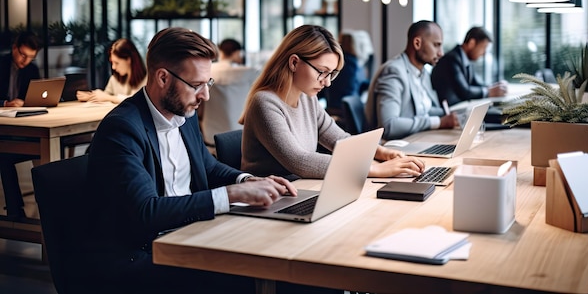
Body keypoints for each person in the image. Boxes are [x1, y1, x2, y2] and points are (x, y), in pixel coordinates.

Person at [86, 27, 339, 294]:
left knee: (307, 259)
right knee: (279, 275)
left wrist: (248, 180)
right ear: (162, 77)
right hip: (144, 255)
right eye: (196, 85)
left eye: (208, 83)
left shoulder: (184, 112)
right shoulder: (123, 129)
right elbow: (147, 212)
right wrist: (230, 194)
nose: (205, 96)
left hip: (192, 234)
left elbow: (206, 166)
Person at [240, 24, 425, 180]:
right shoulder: (265, 103)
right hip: (269, 200)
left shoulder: (307, 99)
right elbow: (299, 161)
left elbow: (341, 140)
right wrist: (373, 169)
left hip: (300, 189)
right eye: (322, 71)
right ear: (294, 63)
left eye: (331, 74)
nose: (327, 82)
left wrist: (381, 152)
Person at [365, 20, 458, 141]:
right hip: (393, 146)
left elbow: (423, 110)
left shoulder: (423, 72)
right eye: (436, 45)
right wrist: (439, 122)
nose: (441, 53)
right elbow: (389, 125)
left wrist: (452, 113)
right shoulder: (394, 71)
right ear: (417, 43)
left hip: (417, 139)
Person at [0, 31, 41, 220]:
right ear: (15, 48)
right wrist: (5, 103)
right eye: (23, 55)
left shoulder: (32, 70)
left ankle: (43, 208)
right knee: (4, 156)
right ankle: (16, 211)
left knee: (7, 157)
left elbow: (38, 96)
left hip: (24, 126)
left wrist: (24, 103)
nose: (26, 60)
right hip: (5, 126)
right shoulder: (1, 64)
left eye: (31, 57)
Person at [197, 38, 259, 150]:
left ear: (220, 51)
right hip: (239, 134)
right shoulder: (249, 73)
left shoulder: (208, 71)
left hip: (211, 135)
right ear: (236, 53)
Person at [431, 26, 508, 107]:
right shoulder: (451, 59)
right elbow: (465, 92)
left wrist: (495, 87)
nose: (484, 53)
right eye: (483, 48)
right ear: (472, 43)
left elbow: (477, 84)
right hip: (450, 111)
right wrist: (489, 91)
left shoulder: (466, 59)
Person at [76, 38, 147, 103]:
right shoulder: (114, 79)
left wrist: (109, 98)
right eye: (112, 63)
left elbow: (137, 101)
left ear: (128, 60)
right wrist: (91, 97)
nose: (113, 67)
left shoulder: (147, 80)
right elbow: (105, 97)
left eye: (117, 63)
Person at [323, 31, 370, 116]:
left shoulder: (335, 62)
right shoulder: (354, 64)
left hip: (332, 105)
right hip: (347, 108)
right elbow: (358, 86)